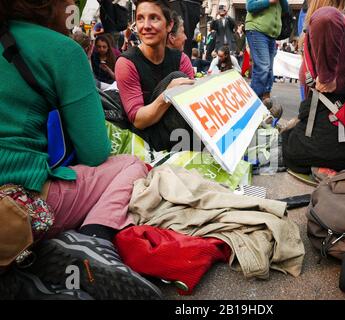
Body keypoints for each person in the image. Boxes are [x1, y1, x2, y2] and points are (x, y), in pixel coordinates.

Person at [0, 0, 162, 299]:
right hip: (17, 199)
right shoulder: (62, 49)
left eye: (154, 18)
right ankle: (94, 241)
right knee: (129, 164)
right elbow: (95, 151)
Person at [282, 4, 345, 176]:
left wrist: (326, 78)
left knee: (287, 147)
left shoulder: (329, 16)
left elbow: (326, 17)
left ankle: (324, 164)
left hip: (329, 137)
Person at [115, 0, 197, 152]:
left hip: (181, 135)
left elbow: (192, 107)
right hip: (146, 140)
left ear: (169, 25)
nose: (146, 26)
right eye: (140, 18)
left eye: (154, 18)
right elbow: (138, 121)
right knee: (177, 78)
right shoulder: (126, 63)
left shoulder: (181, 59)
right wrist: (167, 95)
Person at [245, 0, 289, 100]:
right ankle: (254, 101)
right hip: (257, 30)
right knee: (263, 68)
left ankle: (265, 99)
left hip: (271, 34)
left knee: (268, 69)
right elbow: (250, 6)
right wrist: (269, 1)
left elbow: (285, 10)